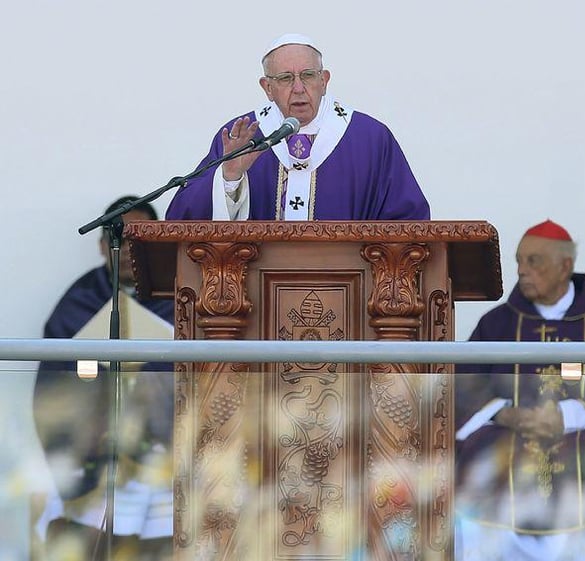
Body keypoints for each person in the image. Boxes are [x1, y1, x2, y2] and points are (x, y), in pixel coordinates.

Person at [454, 219, 585, 561]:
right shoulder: (496, 324)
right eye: (519, 261)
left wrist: (566, 415)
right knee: (481, 456)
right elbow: (464, 386)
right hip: (508, 461)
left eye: (534, 261)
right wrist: (506, 412)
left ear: (565, 266)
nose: (522, 271)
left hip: (584, 457)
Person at [32, 196, 175, 561]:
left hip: (162, 459)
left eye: (139, 241)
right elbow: (53, 388)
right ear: (102, 245)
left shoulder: (180, 298)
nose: (129, 250)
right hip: (94, 457)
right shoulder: (78, 301)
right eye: (121, 240)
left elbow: (200, 381)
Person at [165, 33, 430, 221]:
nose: (299, 88)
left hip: (351, 294)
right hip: (256, 298)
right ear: (267, 88)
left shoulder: (369, 139)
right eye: (285, 78)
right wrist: (229, 177)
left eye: (308, 75)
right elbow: (183, 217)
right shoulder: (244, 135)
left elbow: (408, 219)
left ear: (324, 80)